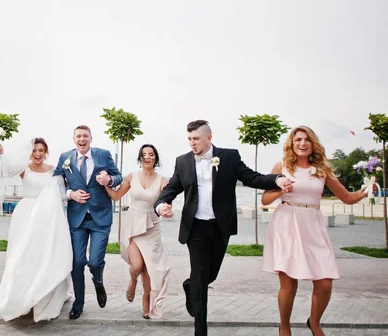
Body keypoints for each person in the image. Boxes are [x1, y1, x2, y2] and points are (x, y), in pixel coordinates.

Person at [154, 120, 293, 336]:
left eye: (196, 138)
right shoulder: (182, 162)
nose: (192, 143)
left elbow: (251, 177)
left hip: (220, 227)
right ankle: (200, 330)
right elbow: (172, 187)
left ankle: (190, 286)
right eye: (189, 139)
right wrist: (161, 204)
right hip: (195, 228)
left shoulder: (228, 157)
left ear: (209, 138)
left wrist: (277, 180)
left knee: (210, 275)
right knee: (201, 278)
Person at [262, 126, 372, 336]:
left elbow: (347, 198)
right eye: (298, 140)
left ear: (313, 144)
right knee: (288, 282)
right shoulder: (282, 166)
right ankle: (284, 328)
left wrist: (365, 190)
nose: (302, 143)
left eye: (306, 140)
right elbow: (265, 200)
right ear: (291, 144)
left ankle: (314, 322)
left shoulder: (322, 170)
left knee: (324, 282)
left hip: (313, 226)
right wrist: (281, 190)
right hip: (287, 225)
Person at [0, 138, 72, 321]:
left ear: (46, 152)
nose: (38, 154)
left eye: (41, 150)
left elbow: (61, 195)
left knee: (45, 255)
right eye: (34, 151)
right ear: (30, 152)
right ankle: (21, 298)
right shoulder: (23, 169)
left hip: (48, 219)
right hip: (25, 216)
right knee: (21, 256)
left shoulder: (54, 171)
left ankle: (44, 296)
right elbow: (2, 167)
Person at [53, 125, 123, 320]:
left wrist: (108, 179)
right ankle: (78, 303)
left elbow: (119, 177)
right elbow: (56, 183)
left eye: (85, 136)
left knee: (94, 261)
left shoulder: (103, 154)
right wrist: (70, 194)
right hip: (77, 218)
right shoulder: (65, 157)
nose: (82, 139)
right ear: (74, 138)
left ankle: (98, 281)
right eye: (78, 136)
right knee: (77, 262)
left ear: (91, 138)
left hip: (100, 216)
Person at [104, 144, 170, 319]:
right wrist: (104, 184)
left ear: (155, 158)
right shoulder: (132, 177)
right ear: (140, 158)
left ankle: (146, 300)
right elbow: (116, 196)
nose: (147, 157)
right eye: (143, 154)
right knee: (137, 265)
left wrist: (167, 209)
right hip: (133, 225)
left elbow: (165, 201)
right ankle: (132, 281)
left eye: (150, 154)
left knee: (150, 268)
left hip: (152, 228)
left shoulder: (163, 180)